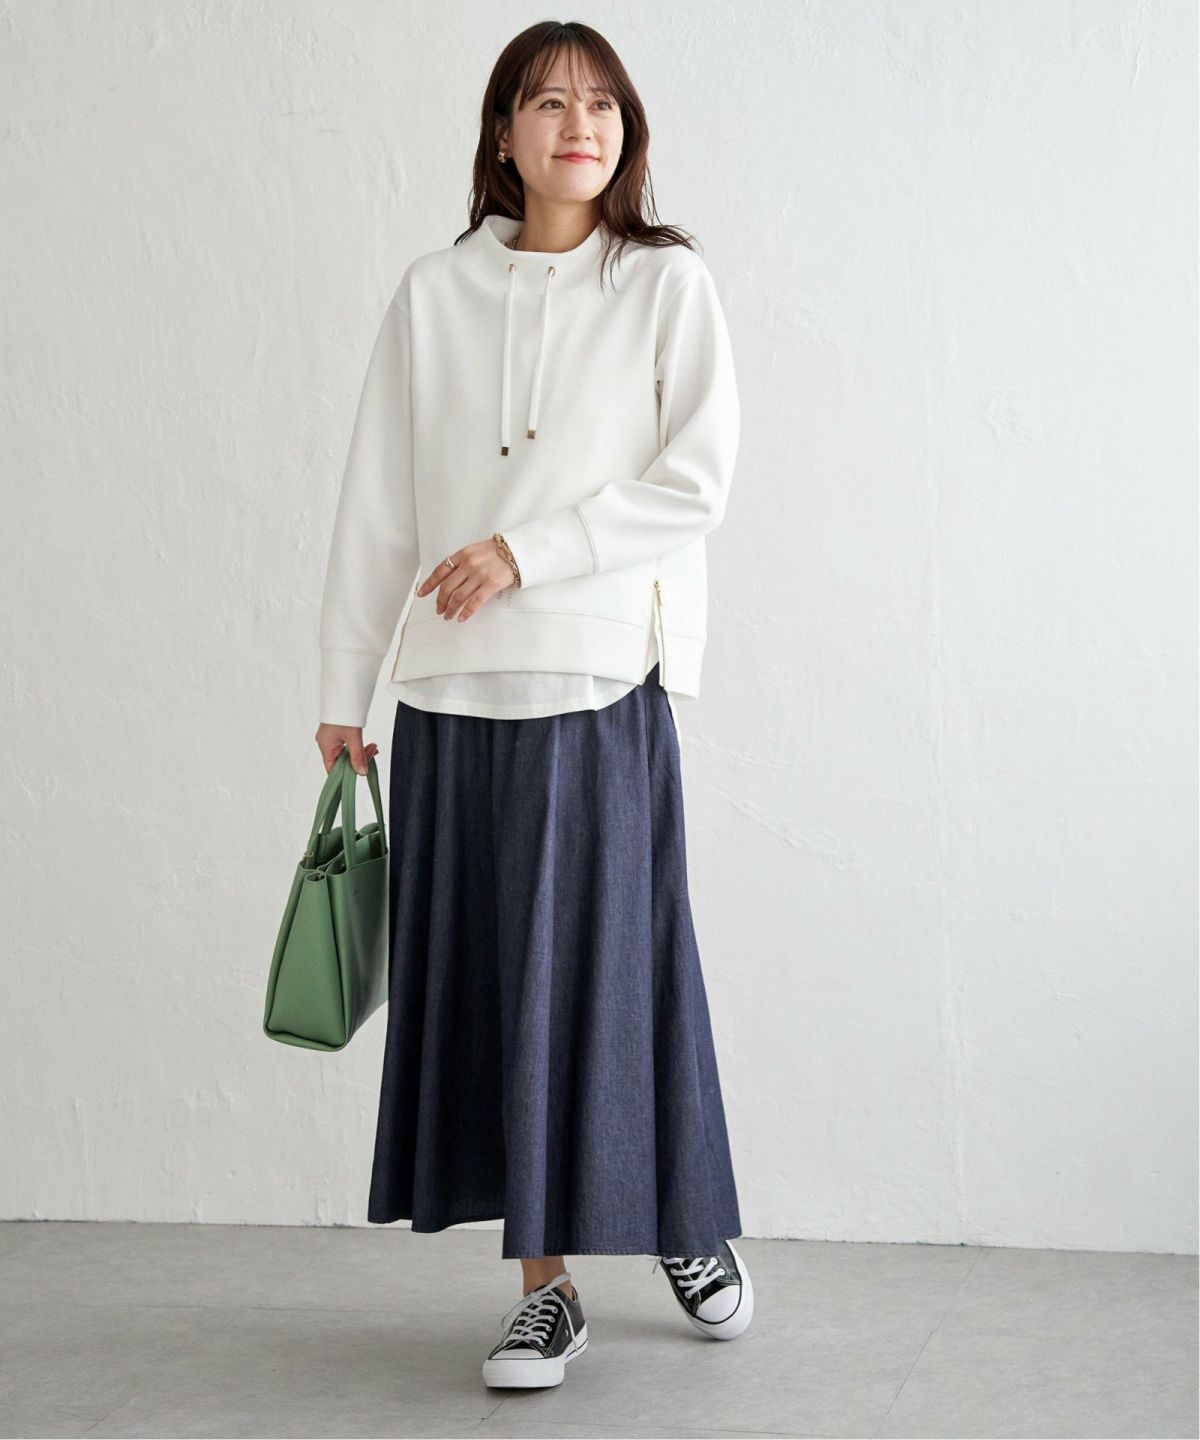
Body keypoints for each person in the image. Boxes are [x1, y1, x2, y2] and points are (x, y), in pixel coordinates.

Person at [313, 20, 752, 1390]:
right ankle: (544, 1288)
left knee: (624, 972)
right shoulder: (433, 293)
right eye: (548, 101)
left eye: (602, 103)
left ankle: (680, 1218)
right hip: (452, 694)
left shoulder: (665, 284)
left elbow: (696, 481)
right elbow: (378, 501)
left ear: (628, 133)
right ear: (503, 132)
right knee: (493, 991)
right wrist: (343, 689)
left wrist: (527, 551)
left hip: (601, 675)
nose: (579, 124)